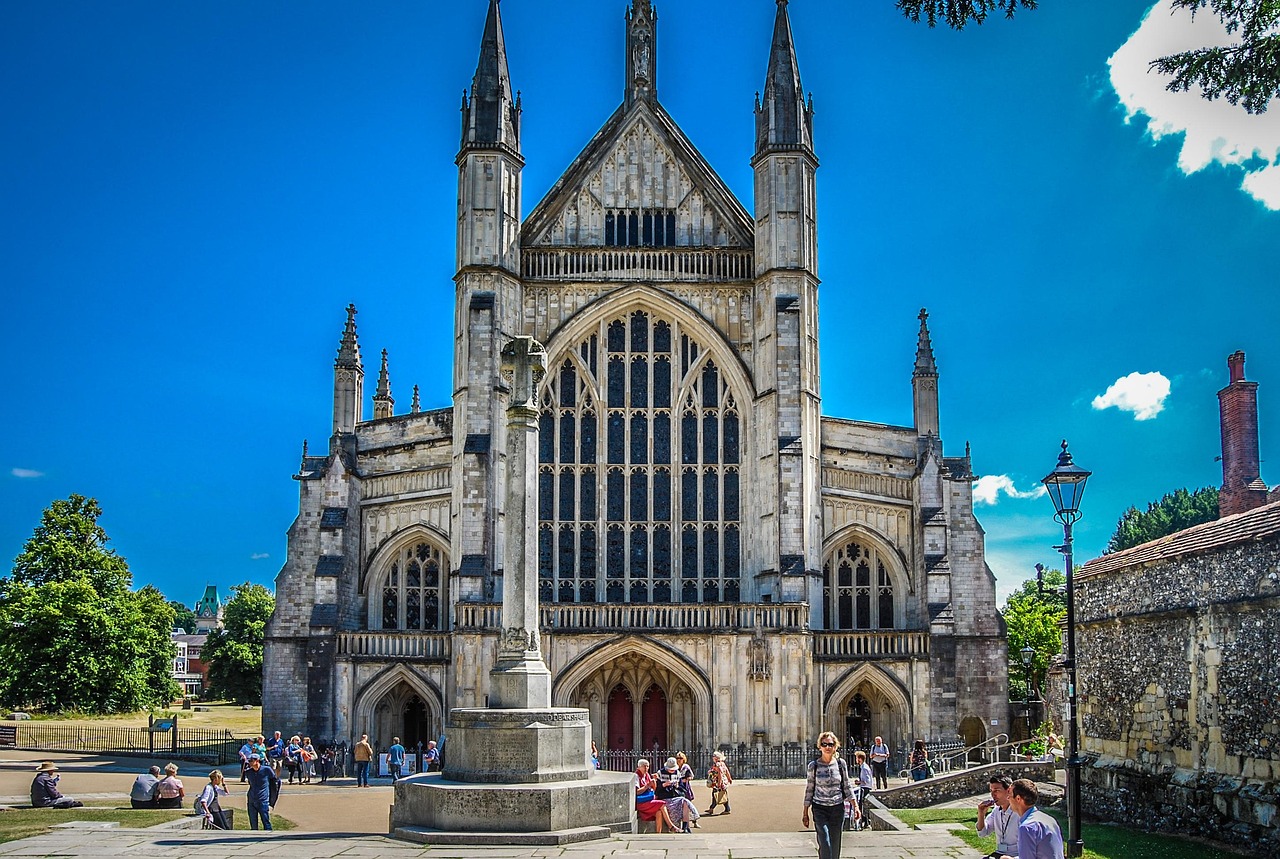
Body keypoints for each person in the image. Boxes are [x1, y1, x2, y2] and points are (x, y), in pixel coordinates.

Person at [802, 731, 858, 859]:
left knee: (835, 844)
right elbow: (809, 789)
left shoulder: (840, 764)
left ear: (835, 746)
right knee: (825, 842)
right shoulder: (814, 766)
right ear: (820, 746)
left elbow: (847, 785)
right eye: (824, 744)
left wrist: (855, 806)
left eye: (830, 744)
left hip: (837, 808)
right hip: (820, 808)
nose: (827, 747)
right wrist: (805, 812)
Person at [998, 778, 1065, 859]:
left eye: (1010, 796)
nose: (1008, 799)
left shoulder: (1027, 827)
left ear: (1018, 799)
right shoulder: (1049, 820)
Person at [976, 773, 1019, 859]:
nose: (993, 795)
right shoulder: (997, 810)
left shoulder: (1019, 812)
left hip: (1016, 855)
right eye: (991, 791)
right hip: (999, 853)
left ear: (1009, 791)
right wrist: (981, 814)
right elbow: (982, 833)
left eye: (997, 791)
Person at [657, 755, 700, 833]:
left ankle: (685, 827)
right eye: (670, 769)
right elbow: (657, 789)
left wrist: (677, 786)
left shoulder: (677, 773)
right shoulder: (660, 773)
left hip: (675, 796)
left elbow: (682, 788)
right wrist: (664, 785)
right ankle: (675, 826)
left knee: (685, 802)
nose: (672, 771)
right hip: (664, 797)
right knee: (682, 801)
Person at [634, 758, 678, 833]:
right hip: (641, 802)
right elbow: (637, 792)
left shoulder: (647, 775)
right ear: (639, 767)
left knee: (659, 812)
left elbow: (653, 790)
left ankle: (658, 833)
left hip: (648, 799)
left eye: (647, 766)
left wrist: (655, 783)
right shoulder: (636, 776)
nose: (646, 768)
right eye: (644, 766)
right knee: (662, 804)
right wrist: (647, 786)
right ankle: (671, 826)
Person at [244, 753, 280, 830]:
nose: (249, 763)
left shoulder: (267, 770)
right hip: (251, 801)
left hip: (263, 800)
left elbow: (275, 783)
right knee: (253, 824)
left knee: (266, 822)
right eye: (249, 761)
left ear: (257, 761)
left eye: (251, 761)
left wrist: (272, 801)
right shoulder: (248, 772)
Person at [675, 751, 699, 827]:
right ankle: (682, 823)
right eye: (677, 758)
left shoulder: (686, 767)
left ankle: (694, 821)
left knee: (689, 804)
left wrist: (687, 779)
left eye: (680, 758)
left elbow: (691, 776)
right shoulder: (674, 767)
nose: (679, 759)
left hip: (685, 788)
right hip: (677, 788)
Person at [852, 750, 874, 831]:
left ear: (860, 759)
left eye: (857, 758)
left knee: (862, 805)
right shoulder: (863, 767)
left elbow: (867, 781)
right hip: (863, 787)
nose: (856, 760)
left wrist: (859, 782)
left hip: (865, 788)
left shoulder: (864, 768)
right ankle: (864, 822)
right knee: (861, 805)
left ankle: (865, 822)